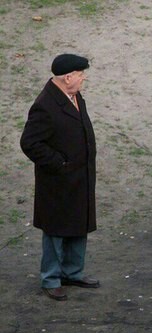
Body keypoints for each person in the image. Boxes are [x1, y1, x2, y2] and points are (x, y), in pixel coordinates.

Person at [21, 53, 100, 301]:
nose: (83, 78)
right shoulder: (45, 105)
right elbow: (30, 143)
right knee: (56, 230)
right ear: (68, 78)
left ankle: (72, 272)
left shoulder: (74, 97)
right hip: (58, 179)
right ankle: (51, 278)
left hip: (79, 176)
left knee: (78, 224)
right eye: (80, 75)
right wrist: (58, 162)